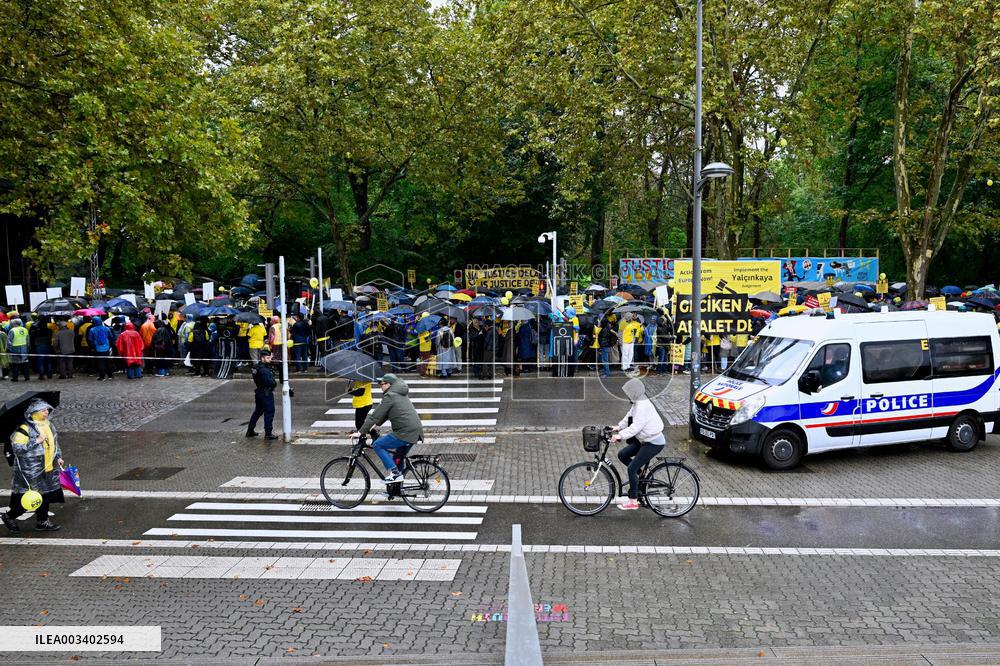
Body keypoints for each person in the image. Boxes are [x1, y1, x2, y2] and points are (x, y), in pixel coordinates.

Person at [2, 398, 64, 532]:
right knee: (27, 499)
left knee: (45, 496)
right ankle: (9, 516)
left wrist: (58, 457)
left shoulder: (49, 425)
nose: (47, 412)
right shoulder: (24, 429)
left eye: (47, 409)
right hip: (29, 472)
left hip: (48, 468)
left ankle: (42, 522)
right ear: (34, 412)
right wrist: (36, 441)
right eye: (43, 410)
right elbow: (17, 449)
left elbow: (55, 444)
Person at [351, 373, 423, 484]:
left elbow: (375, 416)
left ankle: (394, 473)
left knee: (378, 445)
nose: (380, 386)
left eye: (382, 384)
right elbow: (385, 414)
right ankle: (395, 490)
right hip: (414, 431)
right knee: (397, 460)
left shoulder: (390, 396)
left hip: (405, 432)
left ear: (389, 384)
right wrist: (376, 424)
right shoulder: (398, 393)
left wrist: (360, 432)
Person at [611, 378, 666, 510]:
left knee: (631, 469)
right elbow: (629, 416)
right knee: (622, 455)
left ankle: (633, 501)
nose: (627, 396)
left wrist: (619, 436)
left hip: (654, 442)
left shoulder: (642, 405)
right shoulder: (637, 402)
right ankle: (641, 477)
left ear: (634, 393)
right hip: (644, 440)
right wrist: (617, 427)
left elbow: (635, 427)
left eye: (629, 393)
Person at [248, 348, 278, 440]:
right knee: (269, 412)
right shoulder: (264, 370)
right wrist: (274, 382)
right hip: (266, 393)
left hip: (259, 392)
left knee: (257, 412)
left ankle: (250, 430)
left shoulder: (256, 367)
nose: (270, 360)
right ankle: (268, 433)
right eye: (268, 358)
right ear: (262, 358)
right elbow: (270, 382)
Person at [86, 316, 114, 380]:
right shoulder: (106, 328)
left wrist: (92, 347)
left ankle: (102, 376)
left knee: (100, 362)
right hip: (106, 347)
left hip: (97, 348)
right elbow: (111, 337)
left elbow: (90, 339)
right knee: (107, 361)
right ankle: (110, 375)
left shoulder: (92, 329)